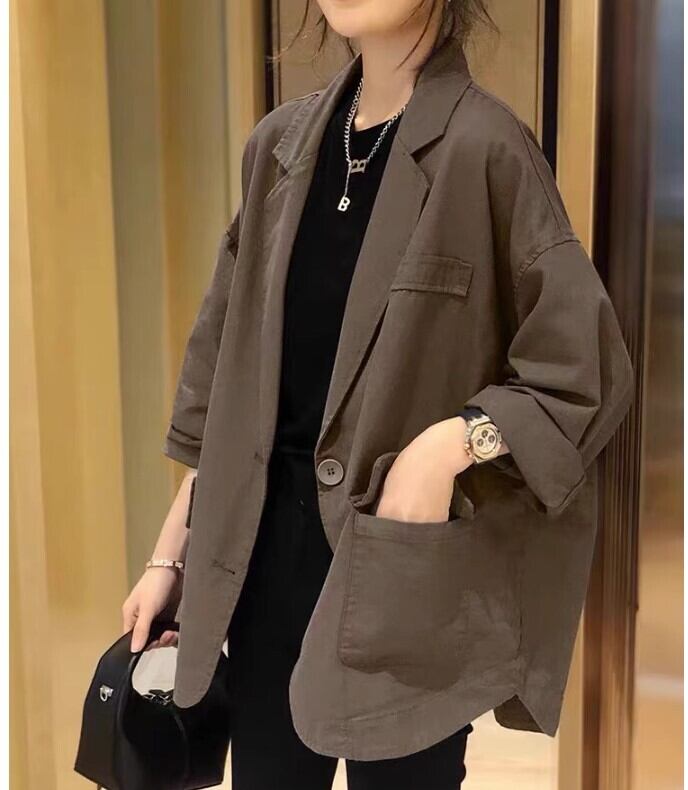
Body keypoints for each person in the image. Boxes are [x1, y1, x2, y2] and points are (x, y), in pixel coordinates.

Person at [121, 1, 635, 788]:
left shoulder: (486, 149)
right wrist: (171, 555)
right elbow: (231, 383)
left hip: (403, 567)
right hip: (263, 565)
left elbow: (583, 371)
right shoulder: (278, 146)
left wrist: (451, 444)